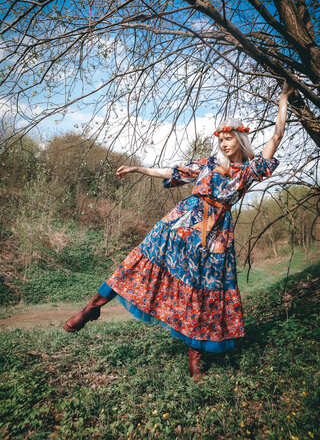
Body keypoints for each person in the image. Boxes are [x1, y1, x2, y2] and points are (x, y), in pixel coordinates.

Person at [64, 81, 293, 381]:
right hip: (181, 222)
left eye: (229, 139)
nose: (224, 144)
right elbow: (172, 171)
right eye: (221, 139)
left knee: (204, 292)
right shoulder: (209, 164)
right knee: (140, 262)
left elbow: (276, 136)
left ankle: (195, 356)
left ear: (240, 139)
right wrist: (138, 169)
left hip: (216, 236)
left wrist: (283, 100)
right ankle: (91, 308)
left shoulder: (249, 170)